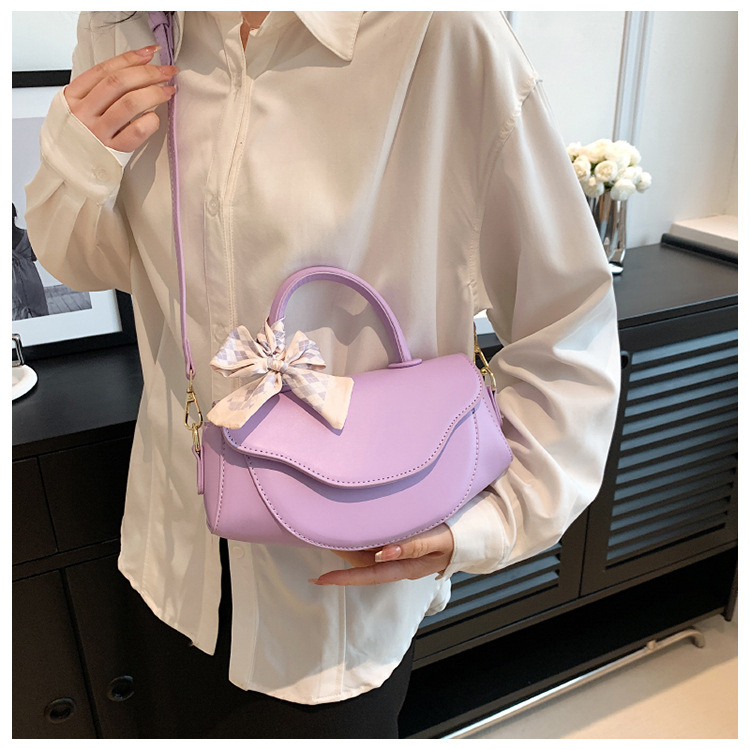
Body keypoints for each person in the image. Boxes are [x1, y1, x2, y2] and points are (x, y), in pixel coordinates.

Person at [25, 11, 621, 738]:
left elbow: (568, 321)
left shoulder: (439, 35)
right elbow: (95, 263)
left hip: (334, 593)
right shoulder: (126, 25)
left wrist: (498, 516)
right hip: (170, 561)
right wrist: (76, 153)